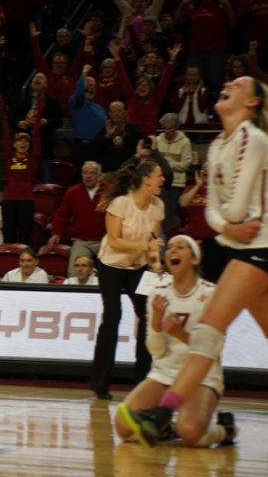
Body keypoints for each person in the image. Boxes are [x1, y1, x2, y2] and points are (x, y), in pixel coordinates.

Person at [118, 76, 268, 447]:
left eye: (238, 83)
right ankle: (165, 414)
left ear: (251, 103)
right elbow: (215, 215)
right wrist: (230, 228)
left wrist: (228, 225)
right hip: (244, 245)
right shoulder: (217, 145)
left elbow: (231, 209)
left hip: (261, 247)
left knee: (208, 329)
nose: (228, 83)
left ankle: (163, 414)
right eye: (228, 81)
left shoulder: (255, 139)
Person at [114, 235, 236, 448]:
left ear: (195, 259)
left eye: (181, 247)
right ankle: (164, 428)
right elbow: (155, 349)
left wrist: (180, 334)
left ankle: (223, 430)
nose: (172, 251)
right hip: (166, 371)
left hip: (203, 376)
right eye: (169, 247)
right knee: (123, 428)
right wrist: (157, 324)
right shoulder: (158, 293)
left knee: (189, 433)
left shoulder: (211, 293)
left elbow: (215, 348)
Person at [91, 160, 165, 400]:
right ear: (146, 179)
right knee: (113, 316)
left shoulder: (158, 206)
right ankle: (100, 383)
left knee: (148, 315)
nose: (163, 180)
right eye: (159, 175)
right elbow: (114, 241)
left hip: (138, 267)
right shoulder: (120, 203)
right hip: (111, 265)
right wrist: (144, 245)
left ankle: (142, 380)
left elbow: (153, 244)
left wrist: (156, 267)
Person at [0, 93, 43, 245]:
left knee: (25, 235)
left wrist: (40, 105)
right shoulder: (8, 156)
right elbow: (5, 130)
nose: (23, 143)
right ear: (14, 143)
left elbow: (36, 132)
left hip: (26, 200)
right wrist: (1, 107)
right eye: (19, 140)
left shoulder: (33, 158)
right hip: (9, 200)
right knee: (8, 234)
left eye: (26, 141)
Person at [48, 161, 108, 271]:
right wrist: (56, 233)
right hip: (82, 241)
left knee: (111, 272)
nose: (88, 176)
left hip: (105, 240)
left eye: (92, 173)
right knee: (74, 272)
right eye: (85, 173)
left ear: (100, 176)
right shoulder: (73, 192)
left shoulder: (110, 191)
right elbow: (61, 214)